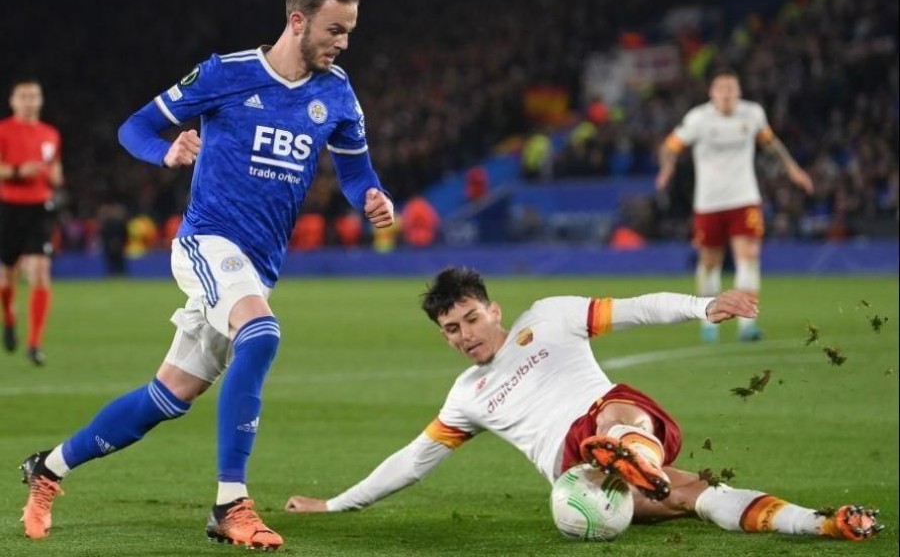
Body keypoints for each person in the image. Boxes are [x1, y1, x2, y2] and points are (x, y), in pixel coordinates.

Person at [18, 0, 393, 551]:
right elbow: (134, 128)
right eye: (335, 30)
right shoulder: (227, 74)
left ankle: (48, 469)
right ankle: (230, 503)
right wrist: (166, 152)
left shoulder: (336, 93)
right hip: (207, 242)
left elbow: (355, 170)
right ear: (298, 21)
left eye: (348, 31)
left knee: (167, 397)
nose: (344, 43)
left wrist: (371, 196)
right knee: (262, 334)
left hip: (258, 266)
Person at [284, 267, 881, 543]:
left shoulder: (547, 317)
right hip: (580, 480)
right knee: (697, 495)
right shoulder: (466, 397)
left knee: (615, 420)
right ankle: (822, 523)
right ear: (443, 335)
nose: (465, 334)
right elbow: (412, 461)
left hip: (610, 415)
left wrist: (704, 307)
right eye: (450, 328)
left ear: (493, 310)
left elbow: (637, 307)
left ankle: (627, 454)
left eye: (470, 318)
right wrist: (333, 504)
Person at [655, 68, 814, 343]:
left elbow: (771, 143)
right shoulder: (698, 119)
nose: (727, 95)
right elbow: (669, 146)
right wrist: (667, 168)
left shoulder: (752, 114)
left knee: (748, 258)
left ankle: (746, 324)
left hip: (744, 198)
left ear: (739, 92)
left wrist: (793, 169)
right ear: (712, 93)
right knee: (709, 262)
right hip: (708, 202)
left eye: (732, 90)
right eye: (722, 90)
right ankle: (709, 322)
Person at [0, 78, 63, 366]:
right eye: (23, 96)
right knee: (6, 276)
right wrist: (16, 171)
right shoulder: (3, 131)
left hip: (39, 208)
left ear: (41, 100)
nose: (29, 101)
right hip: (9, 208)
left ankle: (34, 343)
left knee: (40, 270)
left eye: (34, 96)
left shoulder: (50, 134)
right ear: (13, 101)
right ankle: (9, 317)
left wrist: (54, 177)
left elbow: (57, 172)